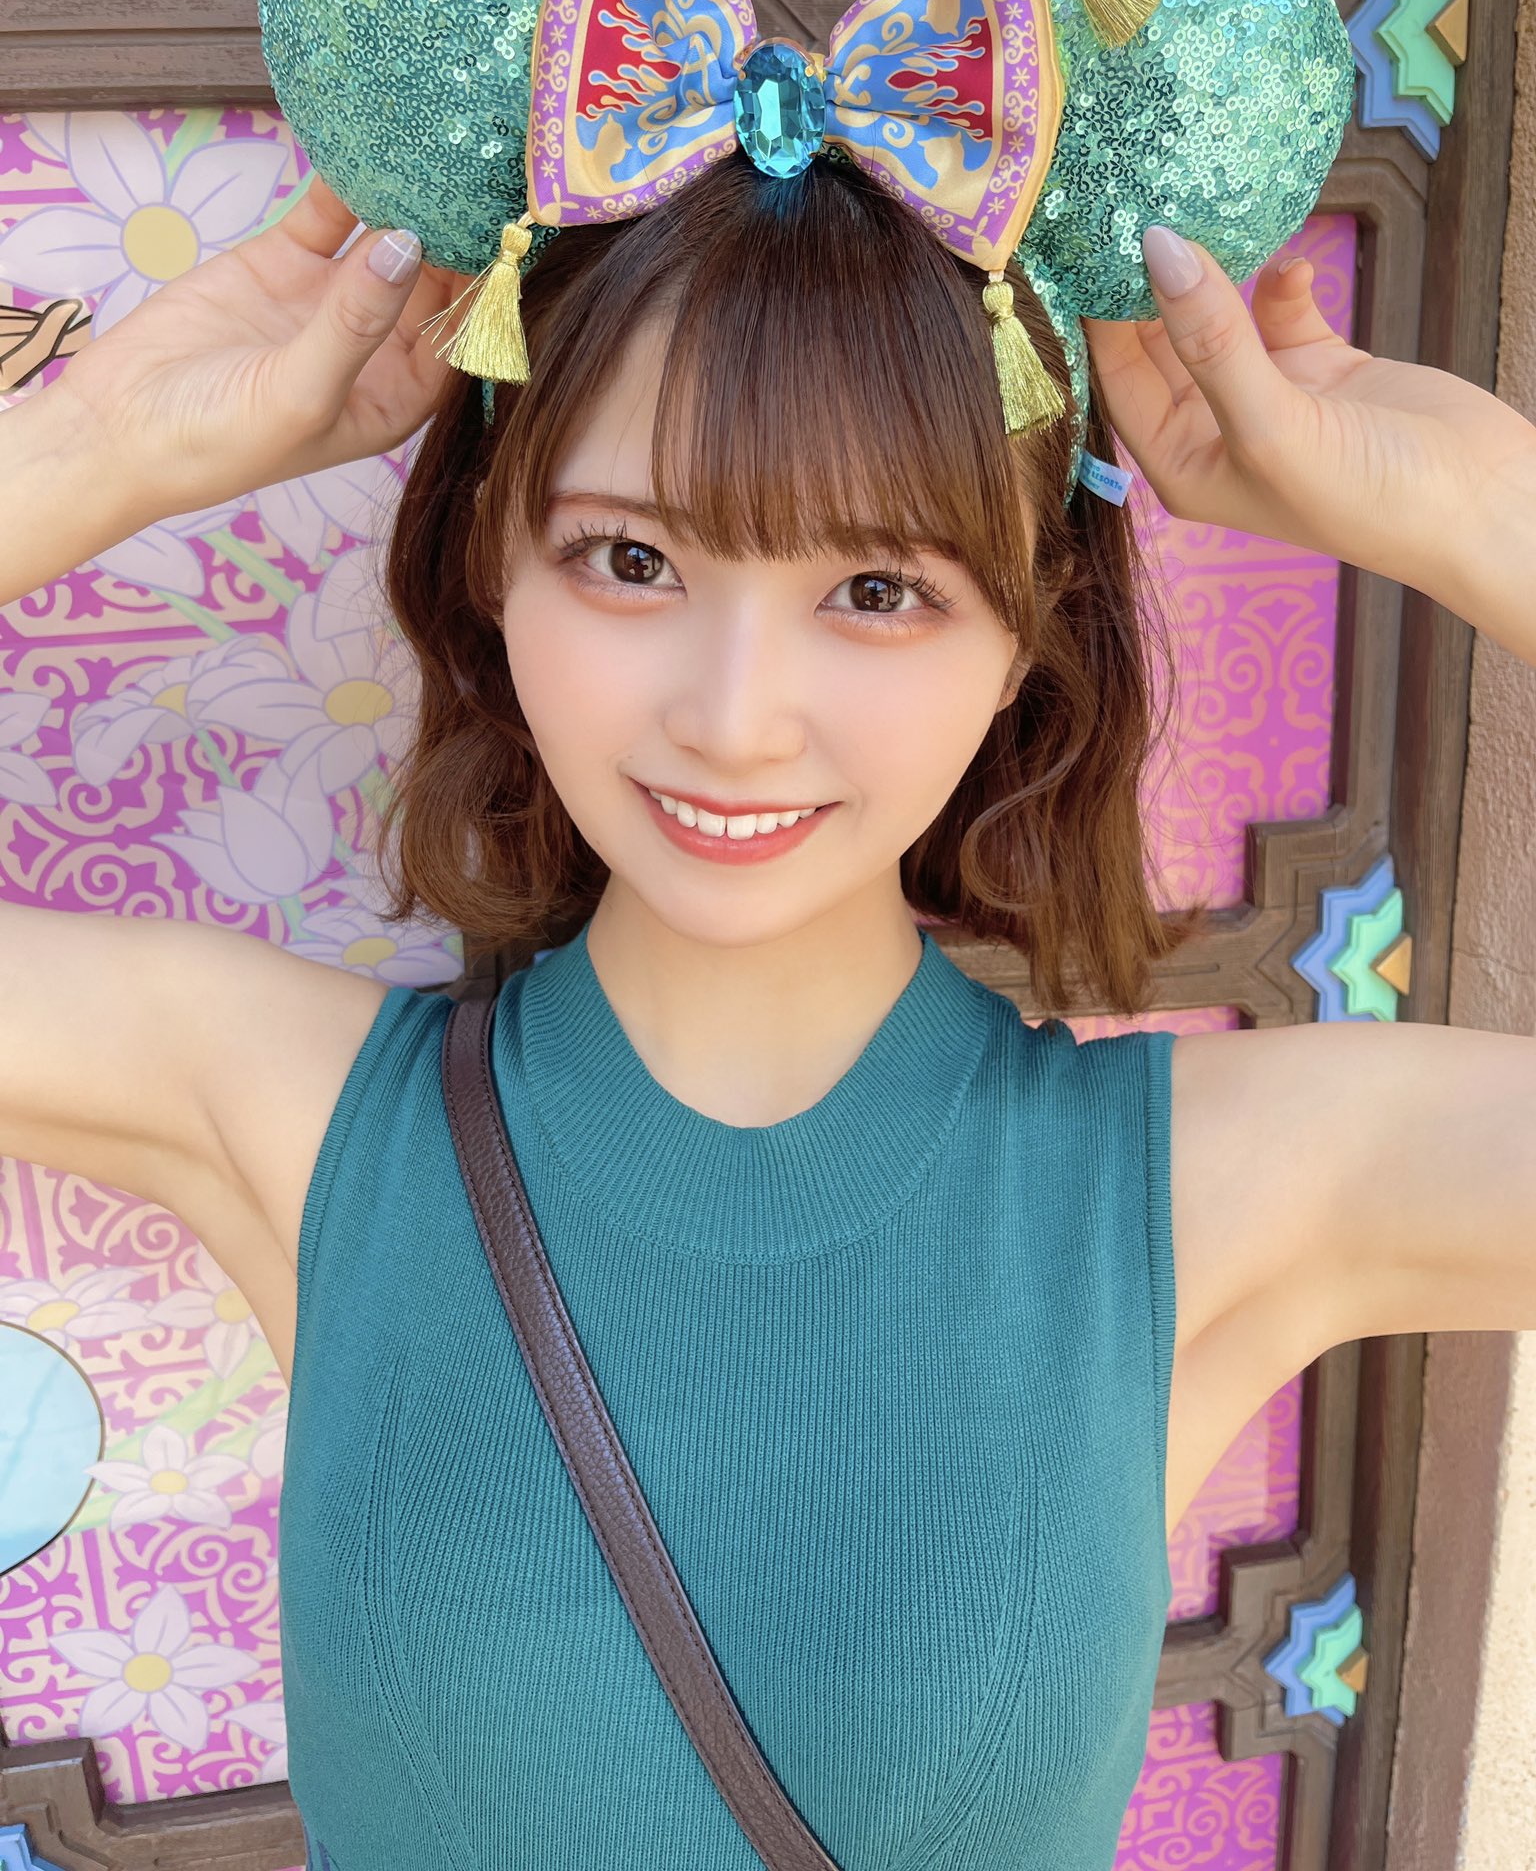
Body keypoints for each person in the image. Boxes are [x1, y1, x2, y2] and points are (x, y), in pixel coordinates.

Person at [2, 153, 1534, 1870]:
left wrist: (1487, 513)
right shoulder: (298, 1119)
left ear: (1025, 634)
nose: (734, 720)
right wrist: (102, 440)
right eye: (631, 558)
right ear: (495, 562)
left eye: (878, 591)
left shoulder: (1217, 1192)